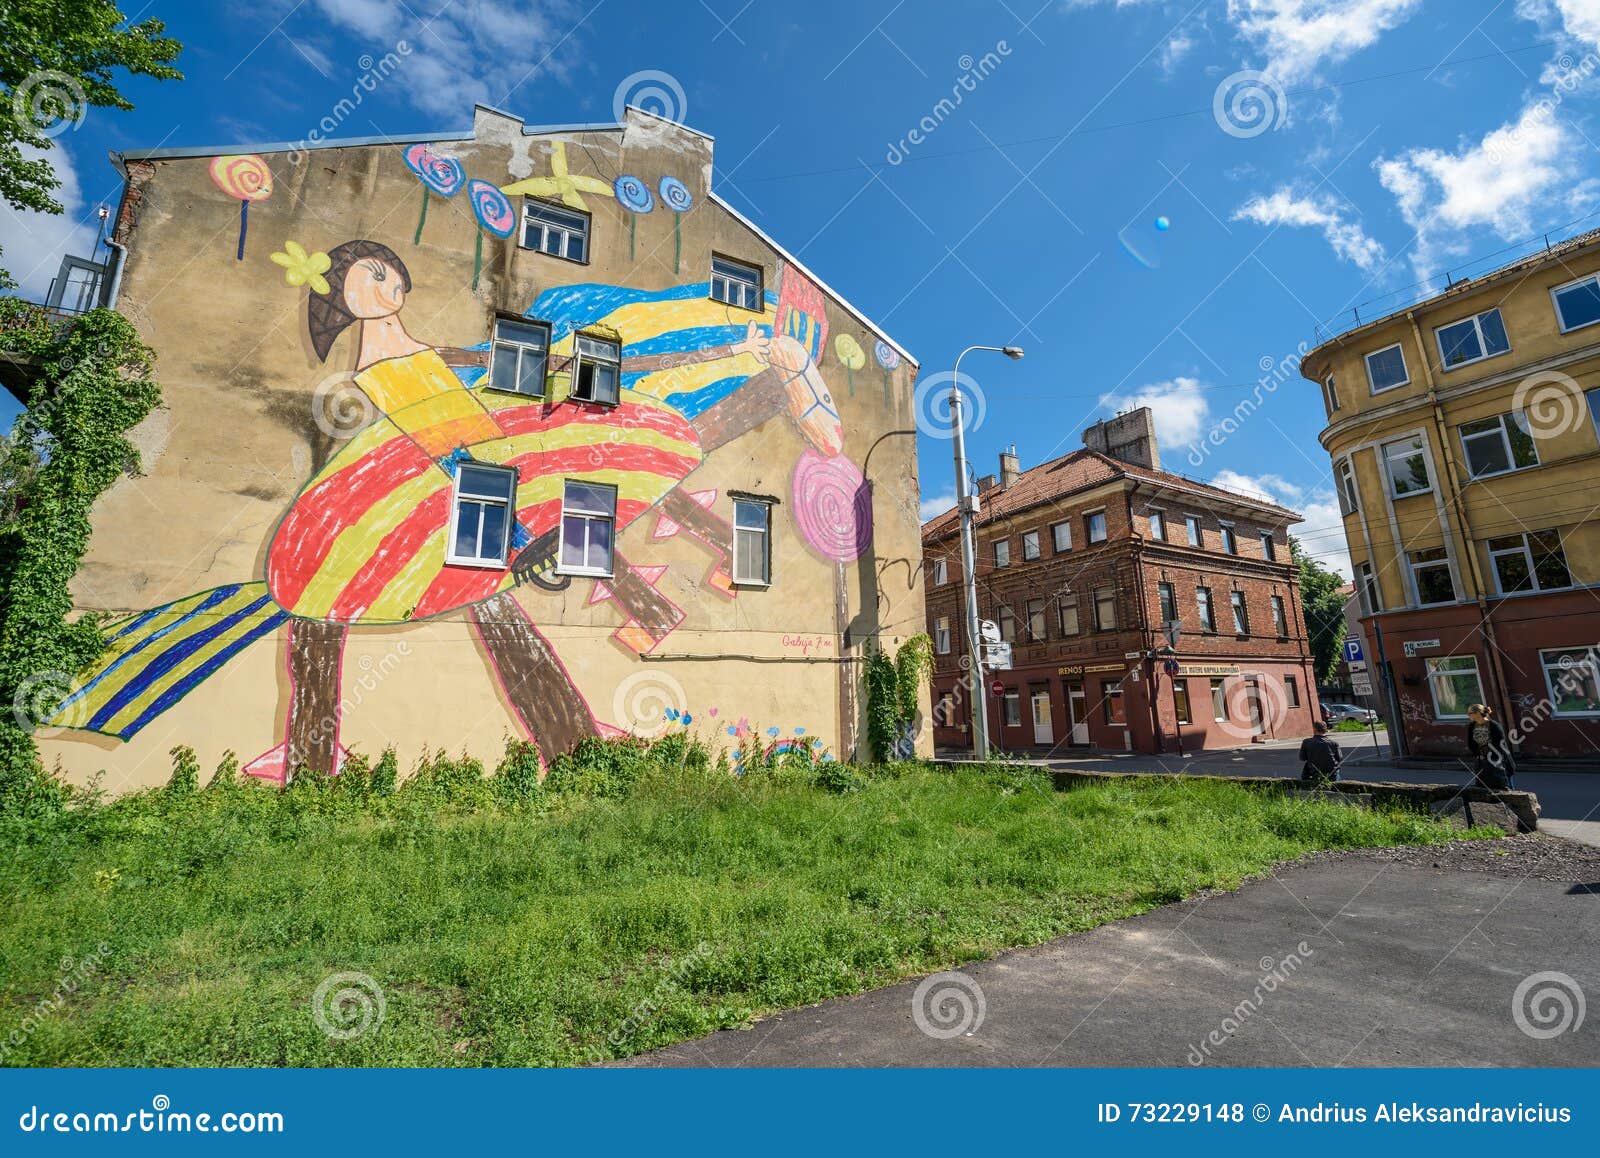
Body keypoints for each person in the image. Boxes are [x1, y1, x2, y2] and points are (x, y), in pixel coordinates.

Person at [1465, 703, 1516, 790]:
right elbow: (1471, 743)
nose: (1468, 715)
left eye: (1470, 713)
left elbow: (1500, 744)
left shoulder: (1494, 726)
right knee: (1485, 785)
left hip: (1498, 760)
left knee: (1505, 785)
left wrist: (1492, 756)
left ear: (1477, 713)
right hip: (1482, 761)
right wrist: (1478, 754)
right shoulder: (1472, 726)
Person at [1298, 720, 1342, 786]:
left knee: (1305, 775)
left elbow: (1302, 758)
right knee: (1337, 781)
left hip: (1313, 772)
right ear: (1325, 729)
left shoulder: (1306, 742)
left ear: (1314, 729)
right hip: (1331, 773)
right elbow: (1339, 758)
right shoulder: (1333, 743)